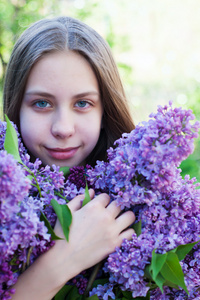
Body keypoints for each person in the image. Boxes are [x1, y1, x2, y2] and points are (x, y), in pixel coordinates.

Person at [3, 16, 135, 299]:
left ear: (105, 112)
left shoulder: (147, 205)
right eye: (41, 103)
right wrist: (65, 259)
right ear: (16, 109)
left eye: (82, 103)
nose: (63, 128)